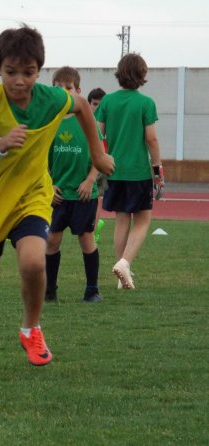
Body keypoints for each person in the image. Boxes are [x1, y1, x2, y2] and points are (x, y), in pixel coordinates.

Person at [0, 25, 114, 366]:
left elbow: (83, 106)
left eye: (28, 72)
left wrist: (97, 156)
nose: (20, 80)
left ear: (39, 72)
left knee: (33, 261)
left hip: (32, 197)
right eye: (11, 72)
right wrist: (1, 144)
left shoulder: (51, 99)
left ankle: (31, 328)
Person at [94, 53, 164, 290]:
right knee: (143, 220)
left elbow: (97, 134)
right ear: (142, 75)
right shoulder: (146, 103)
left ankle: (121, 276)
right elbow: (152, 140)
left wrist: (100, 161)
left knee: (122, 219)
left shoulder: (107, 102)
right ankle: (124, 263)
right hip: (138, 172)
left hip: (114, 170)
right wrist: (158, 172)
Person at [45, 67, 102, 304]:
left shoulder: (89, 123)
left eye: (68, 88)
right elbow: (39, 162)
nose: (63, 92)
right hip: (58, 195)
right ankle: (49, 291)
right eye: (58, 88)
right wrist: (49, 186)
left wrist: (90, 180)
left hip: (83, 195)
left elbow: (100, 159)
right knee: (52, 242)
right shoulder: (48, 124)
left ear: (78, 91)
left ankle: (92, 290)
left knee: (86, 240)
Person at [87, 88, 108, 244]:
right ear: (89, 104)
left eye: (100, 104)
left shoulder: (108, 118)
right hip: (84, 159)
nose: (97, 107)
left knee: (98, 195)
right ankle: (93, 224)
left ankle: (94, 230)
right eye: (95, 104)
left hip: (101, 160)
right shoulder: (84, 118)